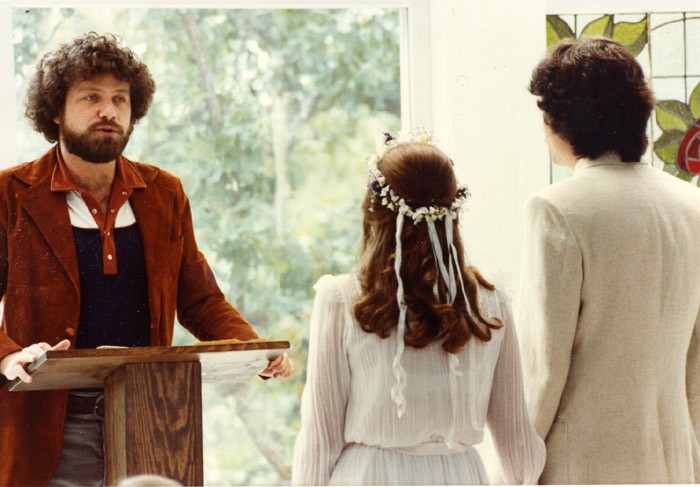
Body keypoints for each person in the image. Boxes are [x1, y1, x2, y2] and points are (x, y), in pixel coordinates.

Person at [0, 32, 292, 486]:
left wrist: (252, 348)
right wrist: (9, 356)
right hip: (45, 428)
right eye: (91, 97)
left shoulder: (164, 192)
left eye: (121, 98)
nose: (109, 110)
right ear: (55, 109)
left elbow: (199, 299)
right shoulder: (10, 194)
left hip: (153, 414)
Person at [291, 131, 545, 485]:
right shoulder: (489, 300)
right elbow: (518, 444)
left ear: (374, 213)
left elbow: (320, 439)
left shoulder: (343, 300)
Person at [518, 36, 700, 484]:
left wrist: (511, 471)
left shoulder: (557, 208)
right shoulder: (691, 204)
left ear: (563, 121)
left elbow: (543, 367)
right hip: (675, 461)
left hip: (583, 464)